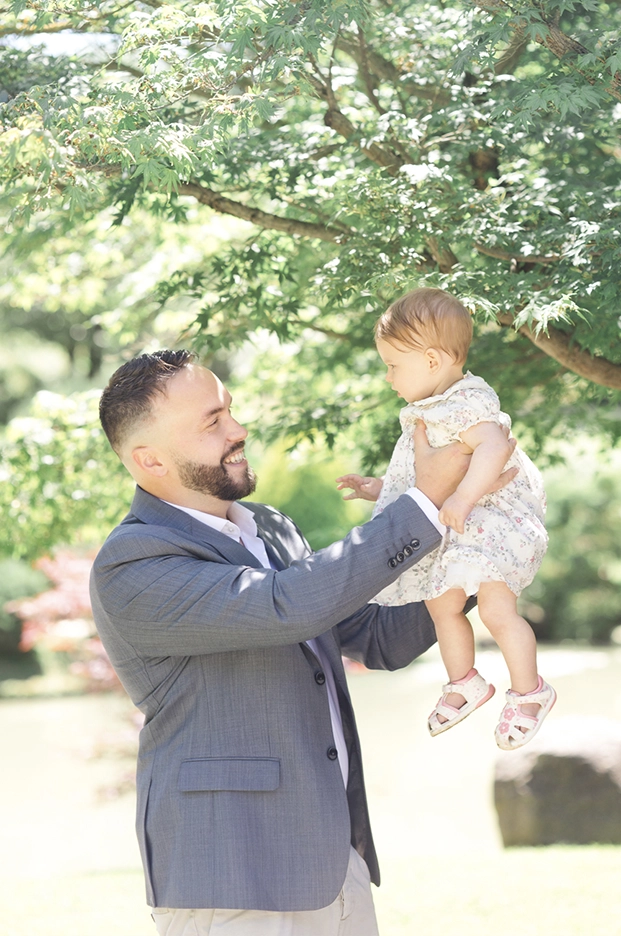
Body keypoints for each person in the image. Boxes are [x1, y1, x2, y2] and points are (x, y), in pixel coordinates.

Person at [90, 349, 516, 936]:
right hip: (231, 877)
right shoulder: (133, 562)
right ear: (149, 459)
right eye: (212, 422)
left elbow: (377, 637)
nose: (238, 430)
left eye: (230, 410)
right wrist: (422, 501)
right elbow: (285, 605)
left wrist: (485, 552)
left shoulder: (271, 528)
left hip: (335, 862)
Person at [337, 287, 556, 751]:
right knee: (441, 604)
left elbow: (495, 448)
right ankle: (464, 681)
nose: (388, 377)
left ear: (433, 361)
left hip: (495, 522)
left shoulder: (466, 402)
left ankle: (530, 692)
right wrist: (379, 487)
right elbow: (427, 474)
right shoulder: (432, 409)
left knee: (496, 609)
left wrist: (463, 498)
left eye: (393, 365)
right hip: (465, 525)